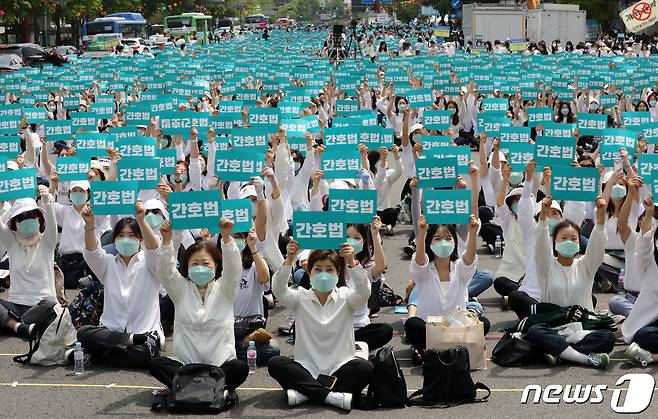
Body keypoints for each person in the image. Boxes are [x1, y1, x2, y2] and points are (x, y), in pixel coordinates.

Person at [142, 216, 248, 395]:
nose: (200, 268)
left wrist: (227, 238)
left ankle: (187, 388)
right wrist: (167, 241)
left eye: (205, 263)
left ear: (215, 266)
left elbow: (233, 269)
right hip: (186, 365)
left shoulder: (225, 288)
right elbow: (165, 271)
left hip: (219, 365)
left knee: (240, 368)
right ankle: (210, 389)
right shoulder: (180, 288)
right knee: (156, 363)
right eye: (195, 264)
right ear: (187, 266)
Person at [268, 240, 373, 411]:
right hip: (306, 368)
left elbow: (364, 292)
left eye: (329, 269)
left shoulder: (346, 297)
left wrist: (351, 262)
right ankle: (331, 397)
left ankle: (306, 393)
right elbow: (279, 289)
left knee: (364, 367)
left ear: (337, 273)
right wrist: (289, 260)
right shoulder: (300, 298)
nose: (323, 274)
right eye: (318, 269)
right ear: (309, 272)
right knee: (275, 363)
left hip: (340, 368)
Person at [525, 196, 615, 368]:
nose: (569, 242)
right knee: (535, 331)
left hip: (582, 330)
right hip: (552, 329)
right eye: (563, 238)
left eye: (573, 238)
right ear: (555, 242)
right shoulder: (546, 266)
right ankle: (584, 358)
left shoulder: (585, 266)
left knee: (608, 338)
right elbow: (541, 241)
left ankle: (557, 353)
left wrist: (601, 217)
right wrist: (543, 215)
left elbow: (597, 243)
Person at [76, 203, 162, 369]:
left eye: (131, 235)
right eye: (121, 236)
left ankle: (100, 354)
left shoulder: (150, 264)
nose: (126, 239)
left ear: (140, 240)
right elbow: (92, 252)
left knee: (143, 355)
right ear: (114, 240)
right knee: (83, 333)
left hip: (145, 335)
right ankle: (126, 342)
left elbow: (155, 250)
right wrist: (89, 225)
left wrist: (141, 221)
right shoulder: (108, 263)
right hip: (111, 332)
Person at [404, 214, 487, 364]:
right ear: (430, 244)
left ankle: (432, 350)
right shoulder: (425, 271)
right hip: (430, 327)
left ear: (455, 243)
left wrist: (473, 233)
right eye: (437, 238)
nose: (443, 243)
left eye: (448, 238)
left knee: (484, 323)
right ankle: (445, 349)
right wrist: (422, 234)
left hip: (456, 328)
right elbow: (420, 260)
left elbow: (469, 258)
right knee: (412, 325)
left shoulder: (460, 268)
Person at [0, 189, 58, 338]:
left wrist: (48, 202)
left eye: (32, 215)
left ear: (39, 219)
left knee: (52, 305)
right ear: (15, 223)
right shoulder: (12, 243)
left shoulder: (47, 242)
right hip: (15, 305)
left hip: (42, 305)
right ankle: (20, 327)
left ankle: (10, 323)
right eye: (22, 217)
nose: (27, 219)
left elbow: (52, 224)